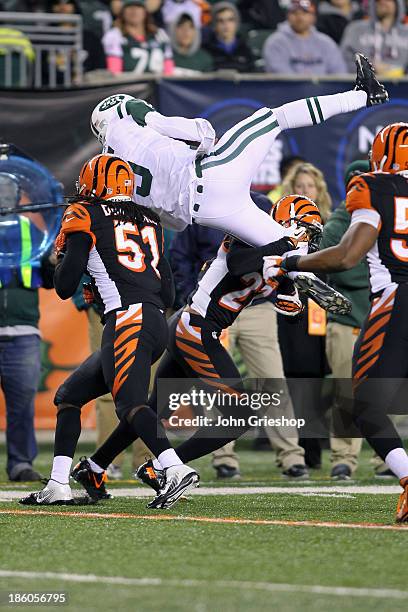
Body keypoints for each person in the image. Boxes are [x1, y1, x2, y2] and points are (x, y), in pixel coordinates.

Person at [68, 194, 321, 497]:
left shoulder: (278, 254)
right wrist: (284, 248)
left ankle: (94, 468)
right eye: (305, 229)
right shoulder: (252, 235)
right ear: (287, 224)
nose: (307, 238)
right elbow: (240, 264)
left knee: (153, 409)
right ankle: (164, 467)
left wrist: (291, 298)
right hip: (196, 328)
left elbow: (283, 303)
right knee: (239, 416)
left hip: (191, 326)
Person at [20, 154, 199, 509]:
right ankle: (58, 484)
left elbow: (63, 285)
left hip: (127, 319)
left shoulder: (84, 214)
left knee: (130, 404)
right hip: (152, 321)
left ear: (94, 184)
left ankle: (174, 468)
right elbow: (168, 292)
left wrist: (66, 257)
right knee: (69, 396)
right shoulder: (148, 218)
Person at [90, 54, 388, 258]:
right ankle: (363, 94)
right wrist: (198, 140)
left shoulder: (110, 174)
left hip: (206, 212)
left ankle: (298, 282)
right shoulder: (135, 122)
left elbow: (175, 224)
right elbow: (201, 134)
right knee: (274, 118)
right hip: (210, 173)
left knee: (284, 246)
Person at [263, 122, 408, 523]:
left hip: (395, 301)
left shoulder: (373, 187)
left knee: (363, 404)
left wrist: (291, 263)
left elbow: (346, 255)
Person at [0, 152, 63, 482]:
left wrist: (53, 262)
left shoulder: (32, 230)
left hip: (23, 331)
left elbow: (51, 282)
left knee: (21, 404)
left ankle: (21, 463)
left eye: (7, 188)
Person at [263, 0, 347, 76]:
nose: (300, 17)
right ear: (288, 16)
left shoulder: (326, 43)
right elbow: (281, 77)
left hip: (325, 91)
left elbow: (339, 75)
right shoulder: (275, 42)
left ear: (313, 17)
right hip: (288, 92)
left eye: (305, 12)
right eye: (294, 12)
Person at [102, 0, 174, 76]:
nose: (134, 11)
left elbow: (168, 70)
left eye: (138, 7)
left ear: (145, 11)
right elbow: (114, 73)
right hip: (128, 85)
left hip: (158, 85)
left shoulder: (160, 34)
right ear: (123, 12)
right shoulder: (114, 35)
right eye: (129, 7)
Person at [341, 0, 408, 77]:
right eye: (377, 0)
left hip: (402, 85)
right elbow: (344, 60)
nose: (382, 2)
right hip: (361, 85)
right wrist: (369, 68)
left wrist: (400, 72)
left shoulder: (406, 33)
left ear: (398, 4)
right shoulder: (356, 29)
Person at [203, 1, 255, 73]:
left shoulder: (246, 50)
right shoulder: (206, 50)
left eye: (230, 20)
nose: (226, 25)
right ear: (214, 25)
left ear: (236, 23)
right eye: (221, 21)